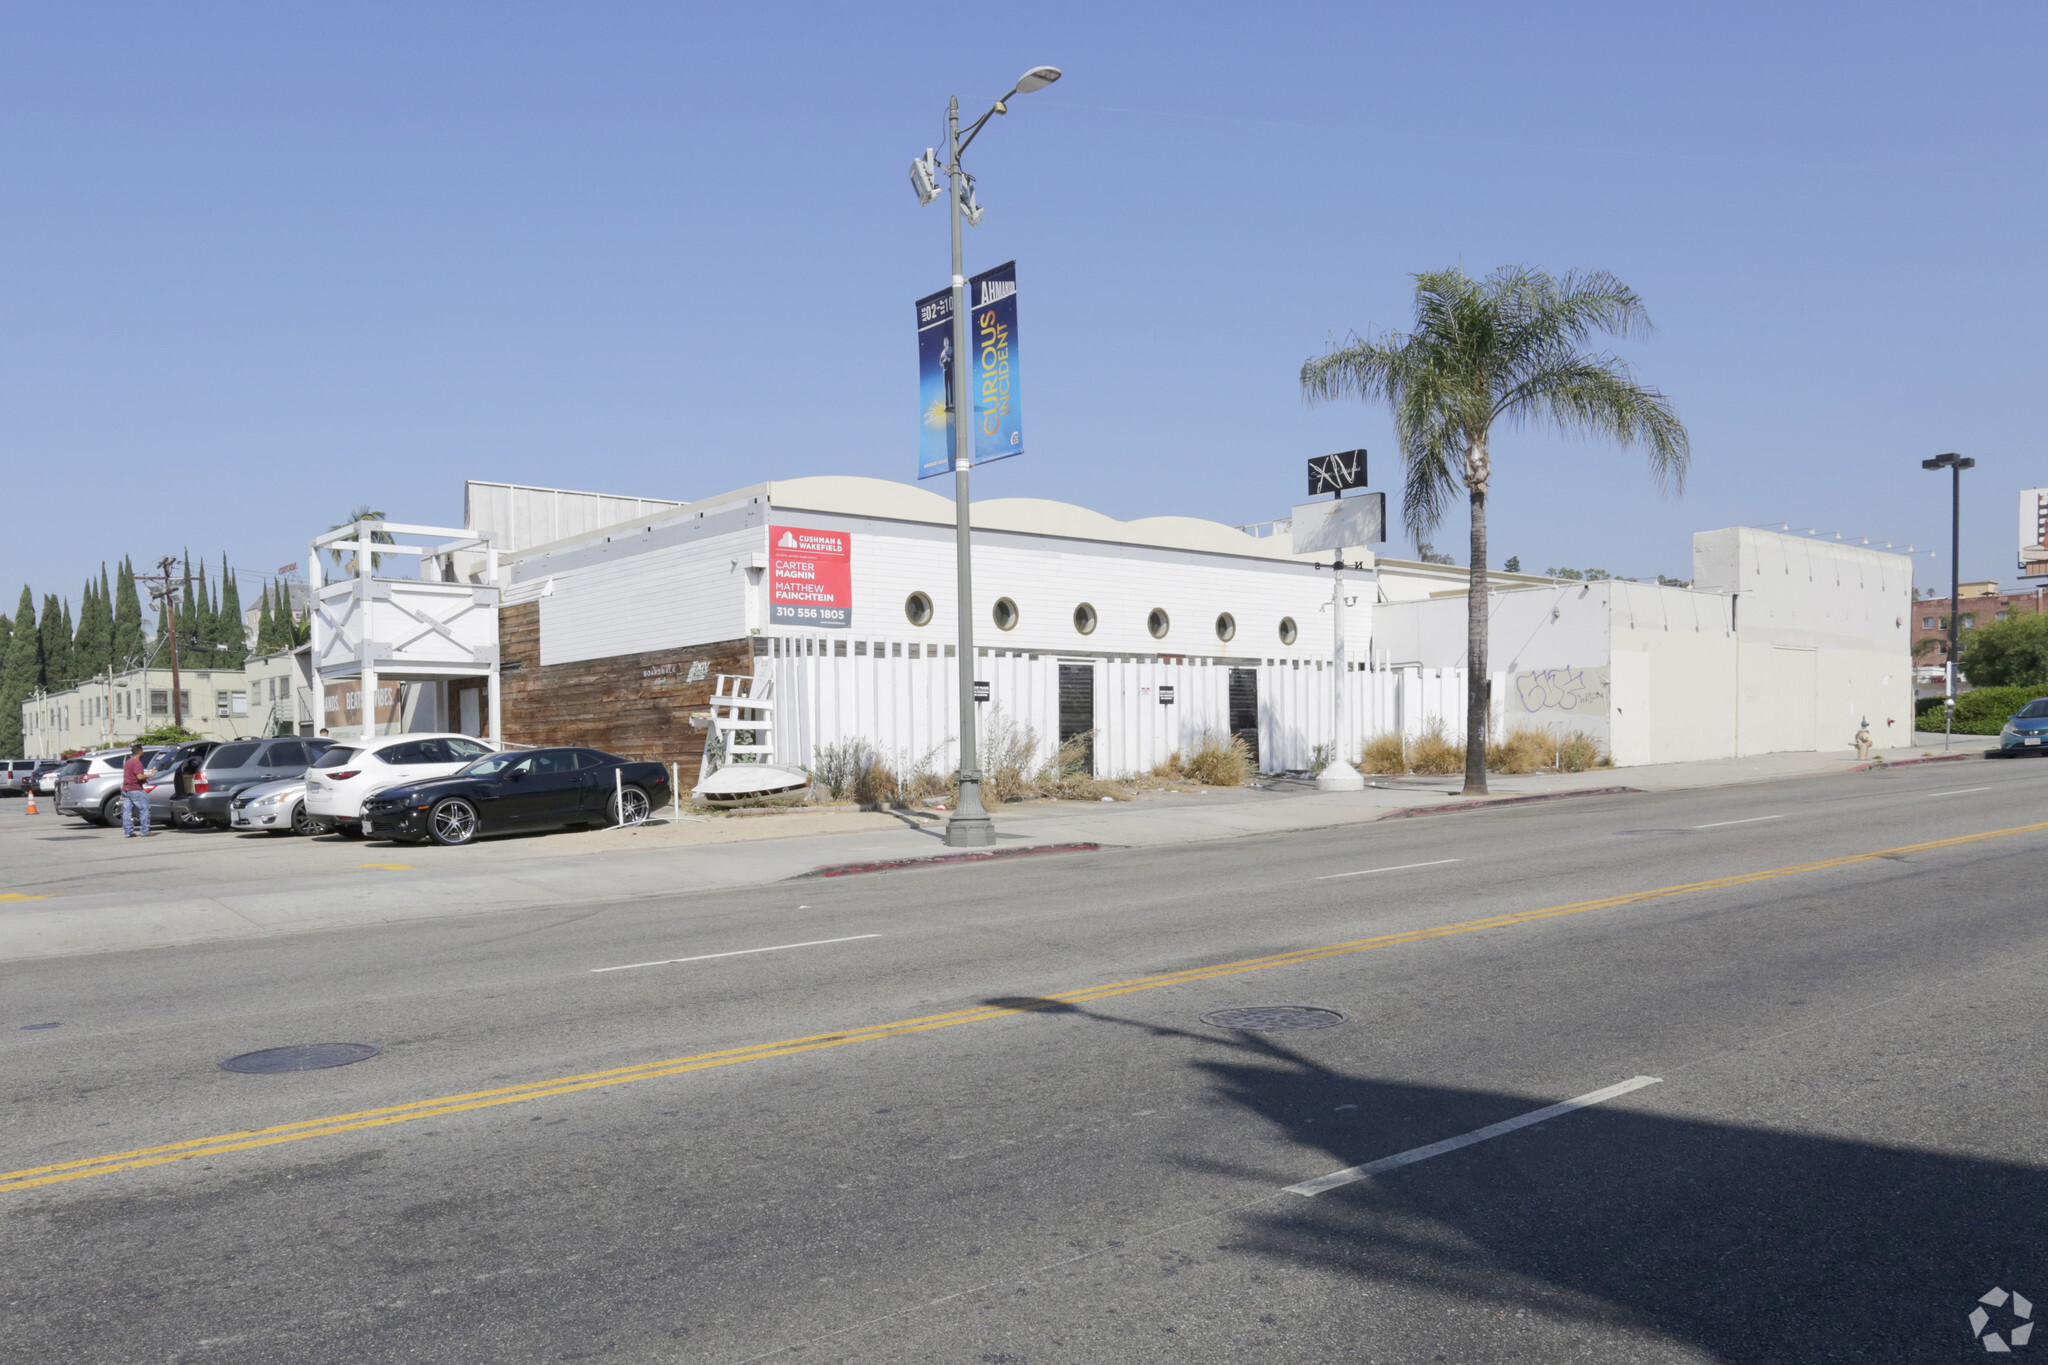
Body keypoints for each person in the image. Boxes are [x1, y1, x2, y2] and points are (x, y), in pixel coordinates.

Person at [120, 742, 152, 837]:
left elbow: (131, 776)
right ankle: (145, 831)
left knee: (126, 811)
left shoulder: (128, 762)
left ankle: (128, 832)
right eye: (142, 751)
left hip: (126, 789)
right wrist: (151, 775)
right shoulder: (137, 763)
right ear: (140, 752)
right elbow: (139, 776)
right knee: (144, 809)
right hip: (135, 789)